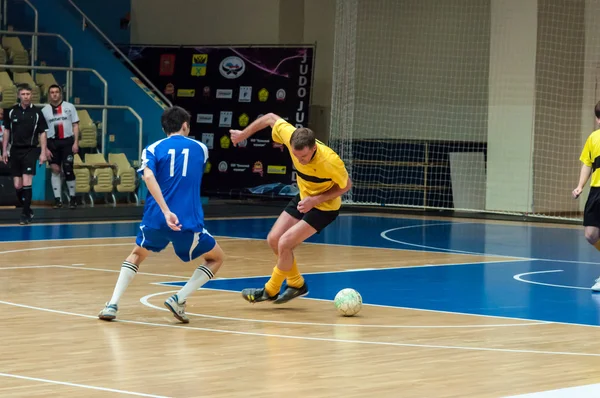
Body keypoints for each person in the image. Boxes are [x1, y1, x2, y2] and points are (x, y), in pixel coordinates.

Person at [98, 106, 225, 323]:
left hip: (156, 218)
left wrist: (166, 212)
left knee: (136, 255)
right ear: (185, 125)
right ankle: (179, 298)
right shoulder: (201, 148)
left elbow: (148, 178)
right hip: (187, 221)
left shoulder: (152, 149)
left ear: (164, 127)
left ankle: (112, 304)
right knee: (216, 258)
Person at [229, 113, 352, 304]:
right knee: (273, 239)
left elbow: (346, 186)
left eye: (303, 156)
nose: (300, 160)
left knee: (285, 243)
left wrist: (316, 200)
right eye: (296, 155)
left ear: (313, 148)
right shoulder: (291, 135)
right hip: (304, 196)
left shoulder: (330, 161)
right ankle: (296, 283)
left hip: (325, 207)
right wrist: (243, 134)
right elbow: (270, 118)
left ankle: (270, 290)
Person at [2, 84, 48, 225]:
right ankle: (27, 209)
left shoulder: (37, 113)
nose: (26, 97)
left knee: (27, 182)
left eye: (28, 94)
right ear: (18, 95)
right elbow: (6, 132)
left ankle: (25, 215)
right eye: (23, 94)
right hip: (15, 150)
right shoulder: (11, 112)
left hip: (30, 150)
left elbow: (43, 133)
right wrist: (4, 150)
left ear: (31, 95)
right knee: (17, 185)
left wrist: (43, 152)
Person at [574, 101, 600, 291]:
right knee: (591, 234)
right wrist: (580, 186)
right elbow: (587, 163)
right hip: (596, 191)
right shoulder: (593, 138)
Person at [41, 84, 80, 209]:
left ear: (60, 93)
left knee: (68, 169)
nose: (54, 94)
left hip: (67, 142)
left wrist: (75, 142)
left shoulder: (70, 107)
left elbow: (75, 125)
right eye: (52, 92)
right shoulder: (44, 110)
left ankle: (73, 198)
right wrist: (45, 148)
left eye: (56, 92)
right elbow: (42, 132)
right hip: (52, 143)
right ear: (49, 94)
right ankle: (58, 199)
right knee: (56, 170)